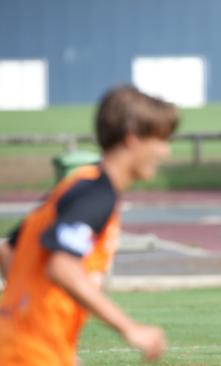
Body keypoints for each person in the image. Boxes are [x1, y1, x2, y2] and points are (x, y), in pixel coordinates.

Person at [0, 85, 178, 366]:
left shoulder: (79, 183)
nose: (166, 151)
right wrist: (130, 329)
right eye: (160, 140)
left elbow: (9, 250)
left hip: (22, 346)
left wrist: (42, 329)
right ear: (132, 139)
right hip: (29, 354)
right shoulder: (98, 194)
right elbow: (62, 266)